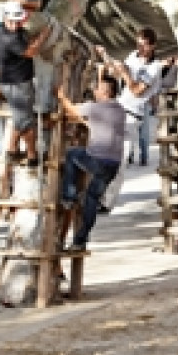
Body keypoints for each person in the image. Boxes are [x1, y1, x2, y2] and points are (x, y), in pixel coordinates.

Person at [97, 28, 163, 211]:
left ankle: (106, 201)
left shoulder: (154, 67)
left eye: (144, 44)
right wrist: (106, 57)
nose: (140, 48)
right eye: (139, 43)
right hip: (117, 108)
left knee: (120, 160)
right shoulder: (133, 56)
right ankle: (98, 194)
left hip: (132, 115)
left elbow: (137, 90)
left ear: (152, 46)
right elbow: (117, 72)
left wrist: (125, 73)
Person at [57, 75, 125, 251]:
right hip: (113, 164)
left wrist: (61, 96)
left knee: (72, 154)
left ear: (105, 92)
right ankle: (80, 239)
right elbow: (95, 124)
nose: (95, 91)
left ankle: (68, 196)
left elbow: (70, 110)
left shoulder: (94, 108)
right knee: (92, 199)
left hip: (97, 160)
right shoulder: (120, 110)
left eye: (98, 88)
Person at [0, 0, 52, 168]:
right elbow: (31, 51)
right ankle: (29, 153)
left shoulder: (2, 29)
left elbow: (23, 8)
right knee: (25, 121)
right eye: (12, 21)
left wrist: (24, 4)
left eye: (18, 21)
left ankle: (14, 148)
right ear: (5, 19)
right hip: (17, 83)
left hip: (11, 80)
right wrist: (43, 37)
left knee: (23, 118)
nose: (16, 25)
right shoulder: (9, 39)